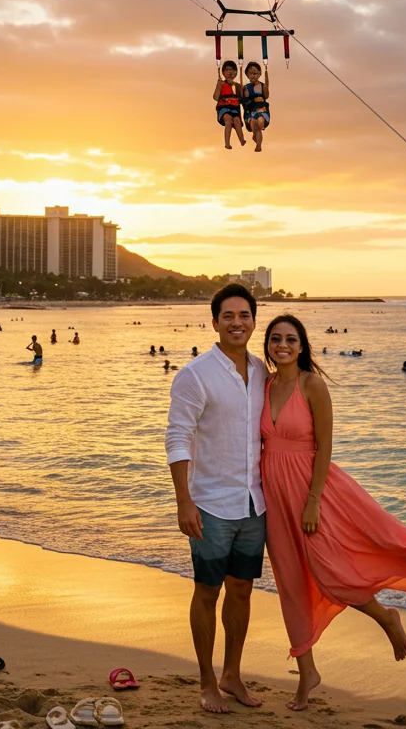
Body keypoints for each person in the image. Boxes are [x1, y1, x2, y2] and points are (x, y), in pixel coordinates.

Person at [261, 314, 406, 710]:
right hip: (273, 497)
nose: (283, 345)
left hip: (312, 491)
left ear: (302, 345)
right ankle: (307, 672)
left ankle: (386, 617)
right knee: (291, 584)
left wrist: (313, 499)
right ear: (268, 344)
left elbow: (325, 445)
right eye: (276, 339)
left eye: (291, 339)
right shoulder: (263, 386)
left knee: (333, 569)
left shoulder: (310, 384)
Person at [165, 285, 268, 714]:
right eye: (228, 315)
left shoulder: (263, 372)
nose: (237, 322)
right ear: (214, 322)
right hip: (209, 502)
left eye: (244, 315)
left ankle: (232, 674)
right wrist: (183, 500)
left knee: (242, 590)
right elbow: (177, 437)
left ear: (254, 321)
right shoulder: (195, 373)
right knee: (207, 590)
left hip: (254, 504)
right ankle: (207, 681)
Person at [213, 60, 246, 149]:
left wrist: (242, 90)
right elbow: (216, 97)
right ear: (223, 72)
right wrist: (219, 85)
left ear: (236, 72)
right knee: (229, 119)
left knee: (237, 120)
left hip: (235, 109)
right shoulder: (221, 84)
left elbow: (243, 99)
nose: (230, 72)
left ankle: (242, 139)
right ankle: (227, 143)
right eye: (227, 70)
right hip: (224, 108)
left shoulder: (238, 86)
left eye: (232, 70)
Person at [241, 61, 270, 152]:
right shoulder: (245, 88)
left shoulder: (262, 86)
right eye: (251, 73)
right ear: (247, 75)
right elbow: (243, 100)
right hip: (250, 111)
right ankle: (257, 141)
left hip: (262, 110)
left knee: (260, 121)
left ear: (259, 74)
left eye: (255, 73)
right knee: (253, 122)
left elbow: (266, 95)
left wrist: (266, 80)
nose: (253, 75)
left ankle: (258, 144)